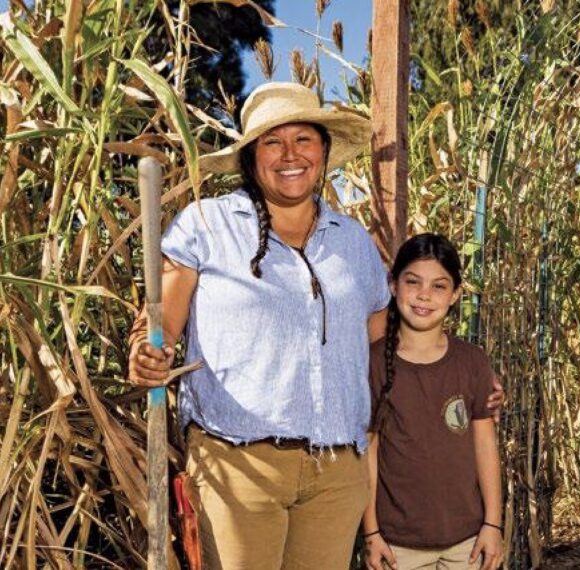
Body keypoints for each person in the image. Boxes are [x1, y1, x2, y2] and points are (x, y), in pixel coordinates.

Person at [127, 82, 504, 570]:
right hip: (239, 466)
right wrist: (145, 355)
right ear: (250, 157)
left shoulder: (352, 244)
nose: (290, 155)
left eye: (303, 139)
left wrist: (470, 379)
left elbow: (388, 346)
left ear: (323, 151)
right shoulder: (206, 225)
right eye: (272, 141)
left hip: (336, 475)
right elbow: (158, 326)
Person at [363, 234, 504, 570]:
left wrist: (493, 524)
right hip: (397, 546)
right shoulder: (372, 364)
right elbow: (367, 452)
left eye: (439, 286)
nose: (424, 294)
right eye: (413, 282)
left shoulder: (471, 362)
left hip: (468, 541)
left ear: (455, 294)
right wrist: (372, 533)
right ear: (394, 285)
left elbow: (485, 446)